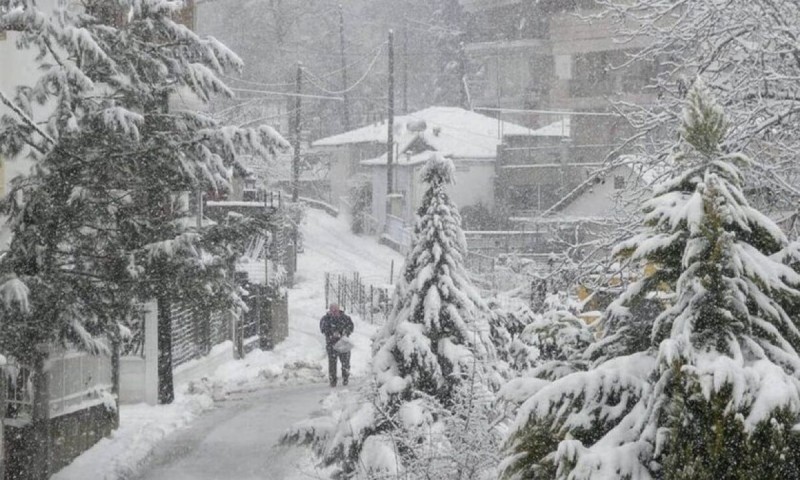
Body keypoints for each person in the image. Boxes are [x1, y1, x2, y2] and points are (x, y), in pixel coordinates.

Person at [319, 303, 354, 387]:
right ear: (330, 310)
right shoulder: (325, 319)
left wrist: (344, 332)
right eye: (332, 310)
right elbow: (323, 329)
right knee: (332, 363)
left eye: (336, 310)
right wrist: (331, 333)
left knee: (345, 362)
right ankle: (333, 380)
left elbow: (351, 327)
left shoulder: (345, 318)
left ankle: (345, 378)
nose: (334, 312)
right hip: (331, 345)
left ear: (339, 310)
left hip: (343, 344)